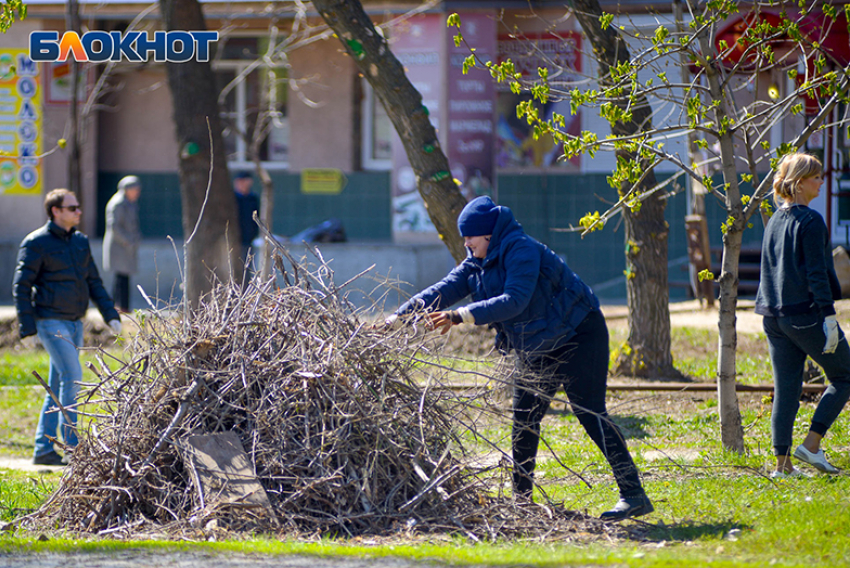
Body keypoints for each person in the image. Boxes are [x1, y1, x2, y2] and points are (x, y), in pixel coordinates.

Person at [386, 196, 653, 521]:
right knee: (524, 421)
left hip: (579, 334)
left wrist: (460, 316)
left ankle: (633, 494)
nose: (466, 243)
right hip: (538, 344)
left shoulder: (521, 249)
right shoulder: (476, 262)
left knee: (590, 414)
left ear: (489, 234)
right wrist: (398, 318)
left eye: (470, 236)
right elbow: (443, 289)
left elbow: (515, 300)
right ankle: (521, 504)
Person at [755, 152, 850, 478]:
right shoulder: (810, 221)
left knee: (787, 389)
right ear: (798, 183)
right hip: (806, 316)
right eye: (816, 177)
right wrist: (829, 317)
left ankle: (782, 467)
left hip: (773, 315)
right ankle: (811, 445)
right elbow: (817, 274)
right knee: (845, 375)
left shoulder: (775, 221)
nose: (821, 182)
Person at [13, 189, 121, 466]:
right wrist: (27, 328)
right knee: (73, 378)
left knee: (59, 384)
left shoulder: (80, 242)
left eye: (78, 207)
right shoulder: (36, 242)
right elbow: (22, 286)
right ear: (56, 211)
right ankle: (73, 448)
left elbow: (94, 281)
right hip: (51, 321)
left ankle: (44, 448)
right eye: (72, 208)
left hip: (75, 322)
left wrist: (110, 315)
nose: (79, 212)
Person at [103, 175, 142, 312]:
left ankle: (121, 306)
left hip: (127, 246)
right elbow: (114, 226)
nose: (137, 193)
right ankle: (120, 306)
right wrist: (127, 241)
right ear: (127, 189)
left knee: (123, 277)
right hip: (120, 246)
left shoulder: (129, 203)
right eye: (135, 190)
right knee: (121, 277)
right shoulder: (118, 203)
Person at [234, 171, 260, 279]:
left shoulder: (252, 198)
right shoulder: (233, 198)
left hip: (248, 238)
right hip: (234, 239)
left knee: (246, 268)